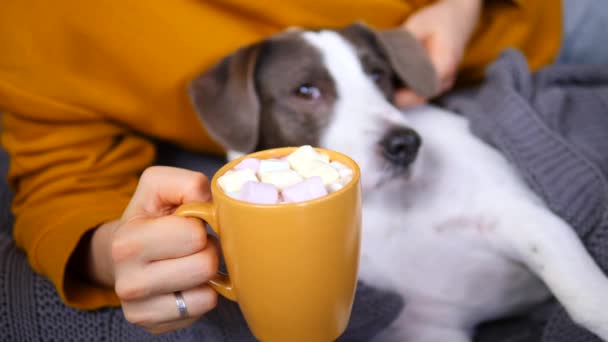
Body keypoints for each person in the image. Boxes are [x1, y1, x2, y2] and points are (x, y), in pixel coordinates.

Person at [0, 0, 568, 336]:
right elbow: (61, 176)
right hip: (263, 173)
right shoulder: (36, 21)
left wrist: (460, 5)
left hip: (507, 52)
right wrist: (113, 250)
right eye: (307, 91)